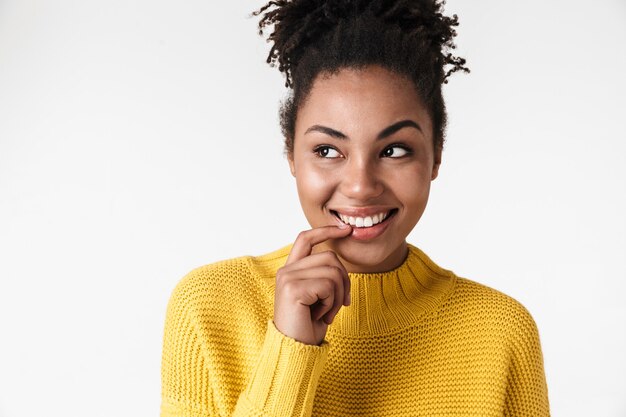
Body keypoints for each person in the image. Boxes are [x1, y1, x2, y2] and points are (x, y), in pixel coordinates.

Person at [160, 0, 550, 415]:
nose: (361, 187)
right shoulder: (209, 308)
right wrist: (289, 350)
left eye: (394, 150)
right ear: (291, 155)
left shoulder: (502, 332)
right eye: (327, 149)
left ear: (435, 156)